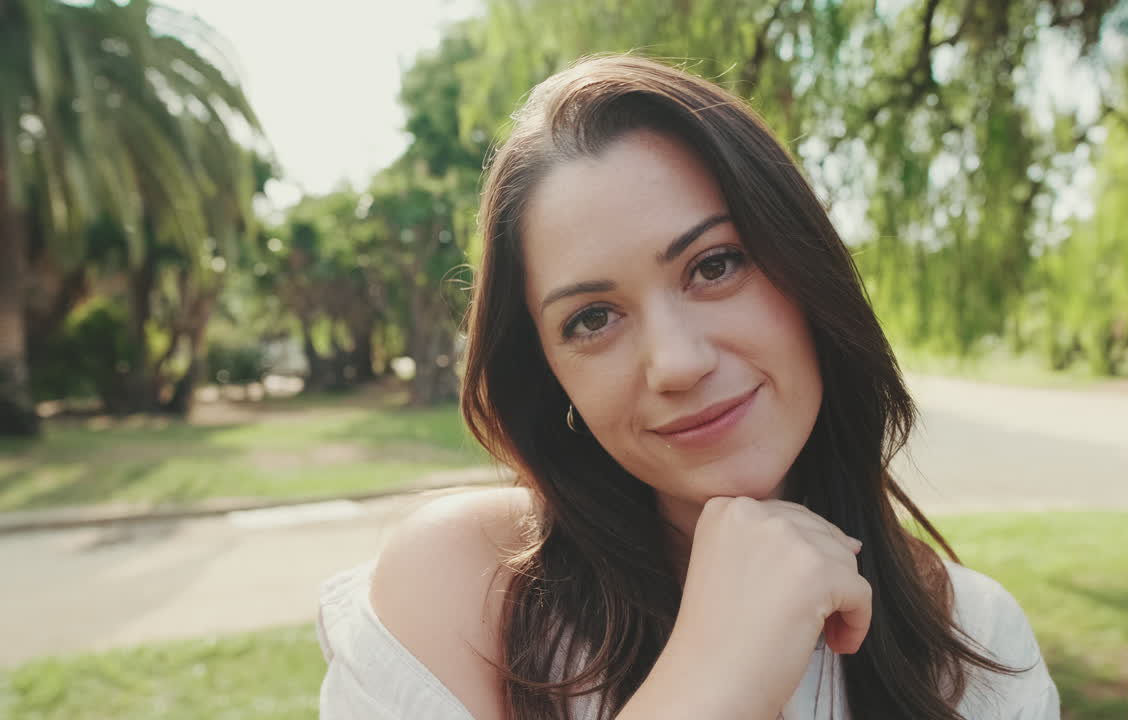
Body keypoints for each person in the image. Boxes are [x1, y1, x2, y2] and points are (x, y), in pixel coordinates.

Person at [316, 54, 1060, 720]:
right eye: (593, 318)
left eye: (714, 266)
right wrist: (716, 676)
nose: (675, 363)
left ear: (807, 273)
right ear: (550, 377)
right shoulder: (466, 592)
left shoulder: (974, 640)